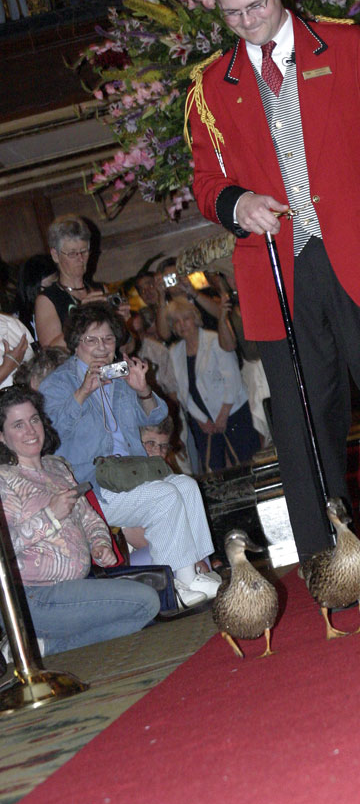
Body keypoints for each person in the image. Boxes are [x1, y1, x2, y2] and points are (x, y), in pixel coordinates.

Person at [187, 0, 360, 557]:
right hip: (277, 269)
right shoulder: (211, 86)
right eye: (232, 14)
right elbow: (205, 179)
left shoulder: (349, 45)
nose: (246, 22)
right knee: (304, 424)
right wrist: (236, 204)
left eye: (255, 6)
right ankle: (334, 558)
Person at [38, 304, 220, 606]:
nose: (101, 348)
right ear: (75, 343)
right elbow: (49, 435)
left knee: (186, 487)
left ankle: (195, 569)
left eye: (108, 340)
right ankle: (177, 582)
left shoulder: (118, 376)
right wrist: (83, 392)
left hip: (132, 473)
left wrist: (142, 390)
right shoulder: (58, 384)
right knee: (164, 496)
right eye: (91, 340)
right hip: (92, 486)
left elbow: (155, 417)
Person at [0, 385, 160, 656]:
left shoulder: (56, 467)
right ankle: (32, 643)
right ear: (2, 437)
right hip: (31, 597)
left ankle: (42, 648)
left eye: (34, 419)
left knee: (139, 612)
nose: (30, 430)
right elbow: (4, 550)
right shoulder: (4, 479)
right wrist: (49, 516)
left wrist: (100, 545)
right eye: (18, 425)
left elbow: (89, 518)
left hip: (73, 588)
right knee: (146, 602)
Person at [166, 295, 261, 472]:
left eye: (186, 319)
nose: (182, 324)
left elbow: (232, 379)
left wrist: (223, 415)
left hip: (233, 412)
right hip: (203, 421)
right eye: (176, 322)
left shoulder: (215, 339)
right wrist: (201, 420)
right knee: (214, 470)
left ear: (195, 318)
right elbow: (182, 391)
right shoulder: (174, 352)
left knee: (248, 464)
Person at [34, 215, 107, 348]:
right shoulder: (48, 299)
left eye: (84, 251)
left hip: (113, 368)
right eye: (72, 254)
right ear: (56, 255)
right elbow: (52, 353)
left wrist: (123, 322)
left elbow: (127, 347)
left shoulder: (100, 290)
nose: (80, 259)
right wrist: (83, 317)